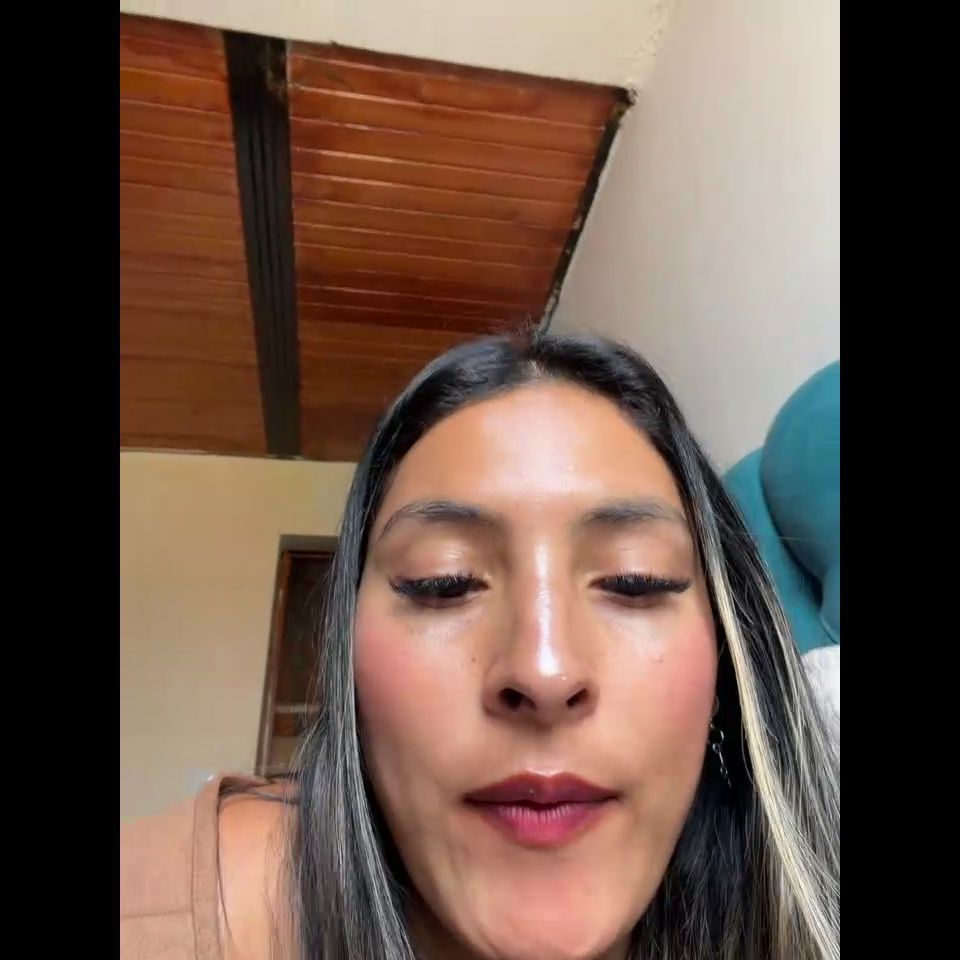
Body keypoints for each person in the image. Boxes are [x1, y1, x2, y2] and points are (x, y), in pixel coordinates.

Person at [121, 333, 840, 960]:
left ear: (726, 669)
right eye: (444, 582)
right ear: (349, 668)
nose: (544, 669)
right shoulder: (173, 912)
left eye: (634, 580)